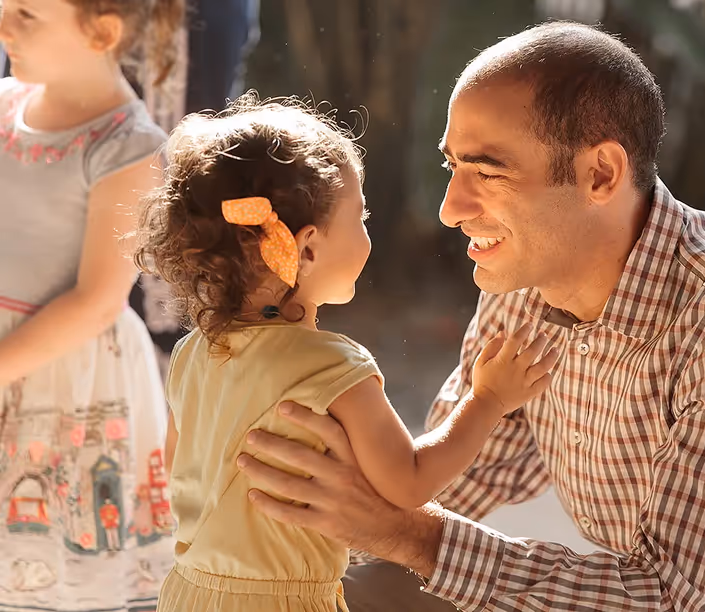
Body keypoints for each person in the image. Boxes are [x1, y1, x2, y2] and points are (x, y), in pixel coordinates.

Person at [237, 21, 705, 612]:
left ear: (601, 174)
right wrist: (282, 510)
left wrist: (405, 533)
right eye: (452, 166)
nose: (450, 208)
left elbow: (669, 596)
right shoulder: (523, 285)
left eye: (486, 173)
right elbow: (448, 485)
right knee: (349, 594)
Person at [133, 94, 559, 612]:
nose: (367, 233)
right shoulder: (333, 367)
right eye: (360, 216)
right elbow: (408, 483)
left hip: (188, 591)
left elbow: (179, 467)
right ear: (307, 248)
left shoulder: (190, 354)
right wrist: (488, 400)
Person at [0, 0, 182, 610]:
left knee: (50, 550)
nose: (4, 29)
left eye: (25, 14)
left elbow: (96, 300)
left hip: (63, 372)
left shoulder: (127, 147)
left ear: (101, 31)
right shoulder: (5, 104)